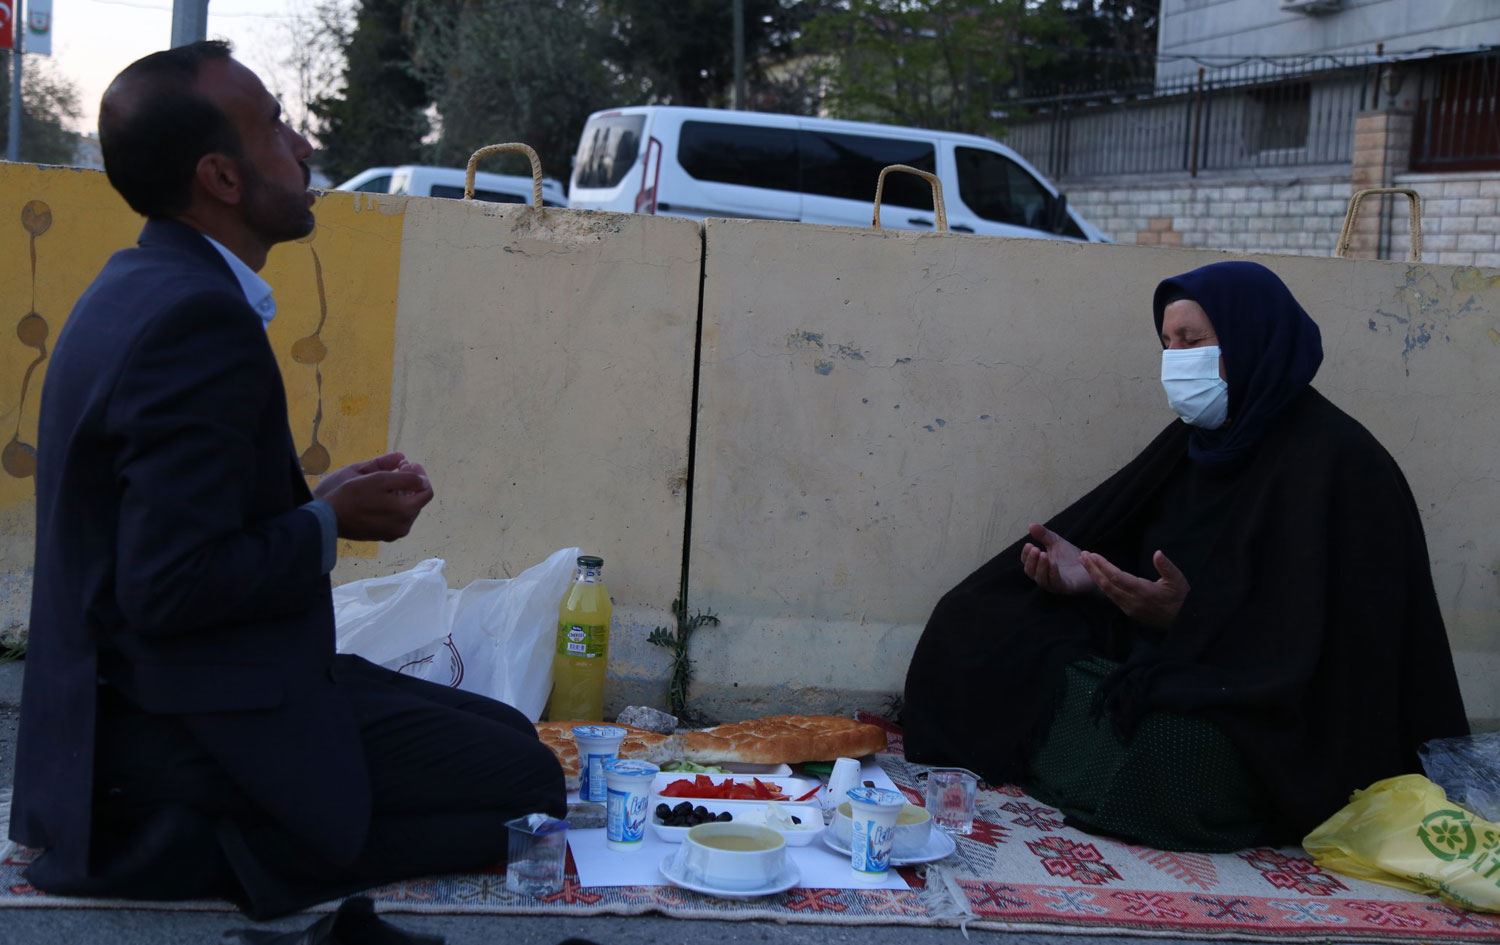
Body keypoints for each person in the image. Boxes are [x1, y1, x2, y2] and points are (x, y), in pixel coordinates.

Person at [9, 41, 564, 918]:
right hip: (175, 720)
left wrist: (320, 508)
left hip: (167, 689)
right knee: (527, 789)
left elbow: (171, 538)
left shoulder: (141, 281)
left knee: (507, 729)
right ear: (222, 178)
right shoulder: (194, 319)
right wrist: (327, 522)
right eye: (275, 126)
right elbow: (170, 586)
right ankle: (216, 844)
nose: (303, 146)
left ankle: (231, 813)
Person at [902, 260, 1469, 851]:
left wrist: (1191, 619)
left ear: (1252, 340)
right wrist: (1092, 578)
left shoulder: (1343, 466)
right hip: (1170, 649)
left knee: (1172, 746)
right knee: (971, 620)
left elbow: (1346, 648)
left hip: (1278, 697)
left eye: (1194, 341)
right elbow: (1142, 545)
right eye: (1167, 343)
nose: (1177, 359)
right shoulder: (1203, 440)